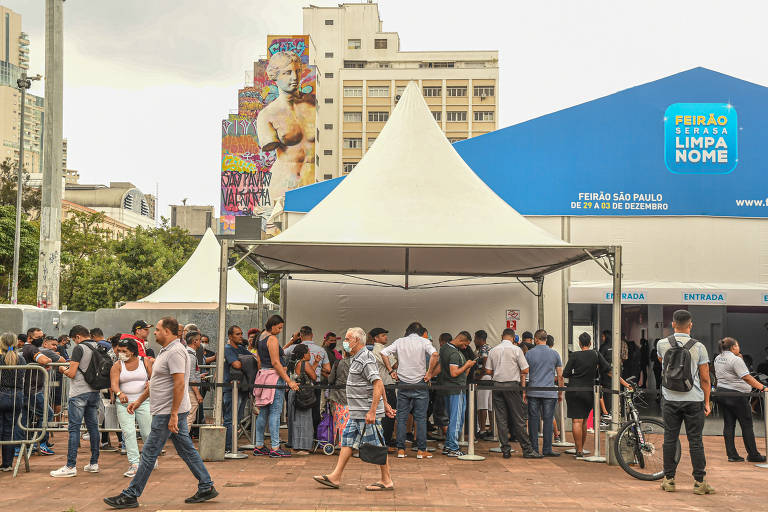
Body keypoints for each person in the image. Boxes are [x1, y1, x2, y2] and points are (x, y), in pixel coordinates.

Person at [104, 317, 218, 508]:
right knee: (186, 449)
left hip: (167, 411)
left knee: (149, 453)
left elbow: (179, 383)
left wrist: (173, 413)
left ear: (167, 331)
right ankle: (206, 485)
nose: (154, 332)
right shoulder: (167, 351)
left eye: (157, 329)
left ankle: (131, 494)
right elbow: (157, 382)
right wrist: (139, 401)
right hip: (169, 410)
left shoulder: (175, 352)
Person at [312, 327, 395, 491]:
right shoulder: (358, 357)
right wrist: (385, 404)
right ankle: (335, 476)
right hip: (357, 412)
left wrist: (373, 410)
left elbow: (377, 383)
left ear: (357, 341)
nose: (345, 342)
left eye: (348, 339)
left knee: (377, 445)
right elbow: (378, 383)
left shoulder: (365, 358)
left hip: (365, 412)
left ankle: (387, 480)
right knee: (347, 442)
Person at [656, 310, 715, 495]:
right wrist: (707, 402)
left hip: (670, 399)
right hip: (693, 400)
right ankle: (699, 482)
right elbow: (705, 378)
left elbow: (663, 365)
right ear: (691, 325)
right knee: (696, 441)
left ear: (673, 324)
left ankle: (669, 480)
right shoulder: (699, 347)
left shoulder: (662, 344)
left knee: (669, 439)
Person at [256, 50, 317, 201]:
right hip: (283, 184)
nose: (295, 77)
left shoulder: (315, 104)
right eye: (288, 73)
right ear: (274, 76)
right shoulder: (267, 115)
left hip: (314, 182)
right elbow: (269, 145)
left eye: (297, 71)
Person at [380, 321, 439, 459]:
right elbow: (435, 355)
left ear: (408, 331)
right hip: (420, 383)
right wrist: (429, 373)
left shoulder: (400, 341)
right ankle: (421, 450)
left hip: (403, 383)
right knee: (420, 418)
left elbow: (384, 353)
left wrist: (391, 371)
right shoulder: (424, 342)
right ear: (420, 332)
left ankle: (401, 450)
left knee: (401, 417)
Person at [51, 325, 101, 478]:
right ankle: (94, 463)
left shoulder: (79, 348)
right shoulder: (98, 346)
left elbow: (72, 373)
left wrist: (62, 370)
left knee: (74, 429)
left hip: (79, 392)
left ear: (78, 337)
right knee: (93, 428)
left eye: (73, 339)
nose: (74, 342)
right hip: (94, 391)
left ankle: (70, 465)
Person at [486, 328, 540, 459]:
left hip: (497, 386)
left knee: (501, 419)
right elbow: (525, 369)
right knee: (518, 418)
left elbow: (488, 371)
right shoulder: (516, 350)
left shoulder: (493, 350)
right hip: (512, 385)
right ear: (513, 337)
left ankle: (505, 450)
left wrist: (498, 373)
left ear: (502, 336)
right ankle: (527, 449)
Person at [252, 315, 299, 457]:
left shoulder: (260, 337)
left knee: (264, 412)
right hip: (274, 377)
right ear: (273, 325)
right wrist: (289, 381)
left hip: (263, 376)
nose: (280, 330)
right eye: (279, 327)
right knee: (275, 412)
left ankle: (259, 445)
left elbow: (262, 360)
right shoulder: (272, 339)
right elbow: (276, 362)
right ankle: (275, 447)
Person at [713, 337, 766, 463]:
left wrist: (740, 360)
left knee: (729, 424)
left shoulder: (718, 358)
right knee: (747, 424)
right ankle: (753, 454)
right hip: (737, 396)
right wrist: (762, 387)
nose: (738, 347)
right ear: (733, 347)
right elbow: (746, 377)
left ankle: (732, 455)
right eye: (737, 345)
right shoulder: (735, 359)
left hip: (723, 394)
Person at [562, 332, 612, 457]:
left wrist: (575, 375)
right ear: (590, 343)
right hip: (589, 390)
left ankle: (578, 450)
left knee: (576, 422)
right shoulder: (595, 354)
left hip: (574, 390)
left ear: (579, 343)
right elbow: (607, 368)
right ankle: (581, 448)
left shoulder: (574, 355)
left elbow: (565, 373)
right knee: (584, 421)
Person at [110, 338, 153, 478]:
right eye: (119, 351)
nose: (121, 353)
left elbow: (153, 379)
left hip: (144, 401)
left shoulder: (144, 362)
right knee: (128, 432)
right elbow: (114, 384)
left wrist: (149, 384)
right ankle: (134, 463)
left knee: (147, 432)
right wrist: (119, 393)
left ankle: (149, 459)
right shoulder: (117, 365)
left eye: (124, 351)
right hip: (124, 403)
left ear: (133, 352)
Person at [285, 326, 331, 433]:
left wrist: (292, 340)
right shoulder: (321, 350)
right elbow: (326, 369)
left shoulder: (294, 349)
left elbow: (280, 352)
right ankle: (313, 436)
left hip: (296, 387)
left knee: (296, 414)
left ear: (300, 336)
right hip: (313, 386)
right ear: (312, 335)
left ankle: (297, 438)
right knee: (314, 412)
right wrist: (319, 368)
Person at [525, 329, 563, 457]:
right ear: (546, 339)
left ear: (536, 339)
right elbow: (560, 375)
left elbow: (525, 373)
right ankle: (547, 449)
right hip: (549, 392)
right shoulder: (555, 354)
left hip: (533, 391)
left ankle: (534, 449)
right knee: (548, 420)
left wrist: (524, 390)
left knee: (533, 420)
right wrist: (560, 392)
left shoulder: (529, 354)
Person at [20, 331, 58, 455]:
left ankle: (24, 445)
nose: (41, 339)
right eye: (38, 337)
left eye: (42, 336)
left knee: (25, 418)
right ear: (30, 338)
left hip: (27, 389)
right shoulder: (31, 348)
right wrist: (46, 360)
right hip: (32, 390)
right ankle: (41, 443)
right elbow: (44, 360)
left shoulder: (26, 348)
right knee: (47, 414)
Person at [439, 331, 475, 457]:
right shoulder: (454, 353)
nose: (465, 347)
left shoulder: (444, 348)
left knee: (453, 418)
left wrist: (467, 367)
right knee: (457, 419)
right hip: (456, 389)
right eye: (465, 344)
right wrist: (467, 365)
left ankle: (449, 446)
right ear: (460, 340)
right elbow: (454, 373)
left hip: (447, 387)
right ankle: (453, 447)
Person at [287, 344, 322, 455]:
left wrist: (315, 363)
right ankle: (302, 446)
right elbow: (314, 376)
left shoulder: (294, 363)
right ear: (303, 354)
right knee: (304, 420)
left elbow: (305, 374)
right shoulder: (305, 363)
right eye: (308, 352)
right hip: (303, 395)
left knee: (295, 420)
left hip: (294, 393)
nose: (310, 354)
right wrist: (314, 365)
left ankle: (295, 444)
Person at [222, 325, 251, 453]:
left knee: (238, 418)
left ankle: (232, 445)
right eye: (237, 334)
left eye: (241, 334)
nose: (241, 336)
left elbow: (254, 359)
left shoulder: (241, 348)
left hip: (243, 388)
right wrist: (245, 361)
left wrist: (243, 360)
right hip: (231, 388)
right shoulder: (228, 348)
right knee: (230, 418)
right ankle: (228, 447)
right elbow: (236, 364)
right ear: (230, 336)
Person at [1, 332, 26, 471]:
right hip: (16, 396)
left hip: (1, 395)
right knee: (10, 430)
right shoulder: (21, 360)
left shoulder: (0, 359)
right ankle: (7, 464)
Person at [369, 327, 396, 449]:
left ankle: (386, 440)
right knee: (387, 416)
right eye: (383, 335)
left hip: (385, 385)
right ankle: (385, 442)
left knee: (387, 415)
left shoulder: (383, 349)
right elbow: (394, 364)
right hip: (385, 386)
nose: (385, 337)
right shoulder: (379, 350)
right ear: (376, 338)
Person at [328, 348, 352, 446]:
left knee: (338, 421)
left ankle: (339, 443)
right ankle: (350, 444)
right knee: (351, 422)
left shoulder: (338, 363)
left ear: (344, 352)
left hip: (338, 396)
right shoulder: (358, 363)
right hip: (353, 396)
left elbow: (330, 380)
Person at [474, 330, 493, 439]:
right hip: (490, 378)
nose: (475, 341)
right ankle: (491, 428)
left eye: (475, 338)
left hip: (484, 378)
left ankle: (482, 429)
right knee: (489, 405)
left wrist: (478, 377)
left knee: (482, 405)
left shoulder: (483, 349)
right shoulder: (490, 347)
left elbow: (485, 366)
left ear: (480, 339)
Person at [185, 332, 204, 434]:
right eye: (200, 340)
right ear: (195, 341)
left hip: (187, 388)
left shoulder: (187, 353)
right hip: (190, 390)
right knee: (190, 416)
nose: (201, 342)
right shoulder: (191, 356)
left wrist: (198, 376)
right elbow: (191, 377)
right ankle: (183, 439)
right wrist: (197, 393)